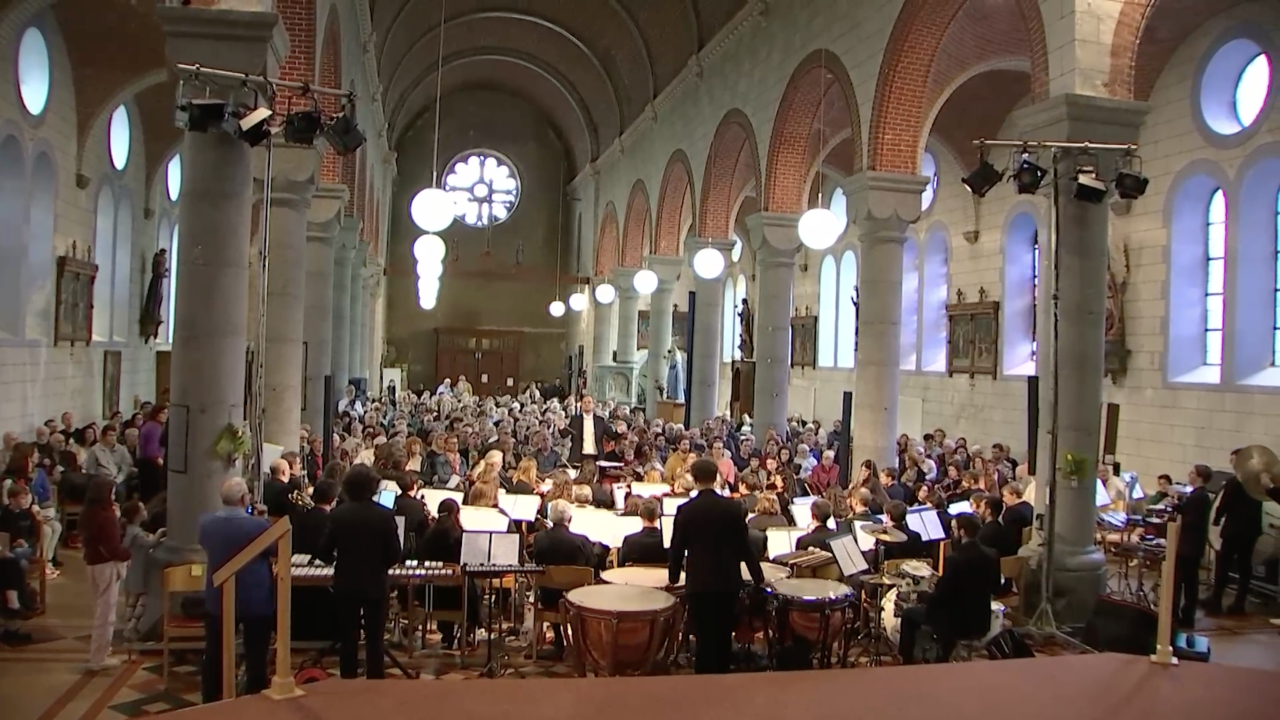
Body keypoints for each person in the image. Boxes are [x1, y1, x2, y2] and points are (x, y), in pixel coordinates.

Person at [668, 458, 764, 674]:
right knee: (723, 636)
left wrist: (673, 577)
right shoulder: (732, 509)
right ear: (717, 478)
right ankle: (722, 680)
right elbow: (745, 547)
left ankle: (704, 682)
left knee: (703, 636)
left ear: (693, 479)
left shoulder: (686, 510)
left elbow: (677, 547)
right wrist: (757, 577)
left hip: (699, 583)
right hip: (728, 582)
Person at [318, 465, 402, 678]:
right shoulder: (384, 515)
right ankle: (374, 679)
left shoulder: (338, 515)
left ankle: (348, 679)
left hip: (346, 582)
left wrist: (338, 558)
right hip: (376, 582)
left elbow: (324, 551)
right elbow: (394, 554)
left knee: (348, 636)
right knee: (375, 637)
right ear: (373, 487)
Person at [198, 478, 272, 700]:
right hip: (255, 597)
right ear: (244, 498)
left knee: (214, 653)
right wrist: (263, 519)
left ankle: (211, 699)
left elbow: (205, 544)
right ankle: (255, 698)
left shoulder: (206, 522)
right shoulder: (258, 525)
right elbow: (274, 548)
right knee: (256, 654)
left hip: (218, 595)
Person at [897, 513, 1001, 663]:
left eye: (953, 529)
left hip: (957, 624)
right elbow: (996, 587)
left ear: (962, 532)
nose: (952, 533)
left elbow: (940, 598)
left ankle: (907, 662)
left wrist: (921, 595)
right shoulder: (992, 554)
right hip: (981, 621)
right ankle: (942, 654)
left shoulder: (955, 559)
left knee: (909, 614)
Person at [531, 499, 598, 659]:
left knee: (552, 590)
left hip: (548, 598)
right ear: (570, 519)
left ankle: (559, 641)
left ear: (550, 518)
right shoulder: (582, 541)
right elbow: (592, 566)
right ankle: (581, 641)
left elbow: (537, 561)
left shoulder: (539, 538)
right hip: (576, 599)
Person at [81, 475, 131, 672]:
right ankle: (98, 658)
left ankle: (102, 649)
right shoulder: (106, 517)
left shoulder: (88, 513)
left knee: (100, 610)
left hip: (92, 564)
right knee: (106, 614)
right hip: (106, 566)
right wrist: (128, 553)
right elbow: (113, 547)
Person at [1207, 449, 1262, 615]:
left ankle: (1216, 601)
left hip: (1234, 529)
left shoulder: (1234, 481)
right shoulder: (1257, 482)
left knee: (1223, 565)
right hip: (1251, 530)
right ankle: (1239, 602)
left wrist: (1216, 519)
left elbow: (1225, 503)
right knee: (1245, 566)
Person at [1173, 465, 1213, 628]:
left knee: (1186, 581)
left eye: (1192, 473)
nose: (1189, 475)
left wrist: (1180, 507)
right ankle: (1184, 613)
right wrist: (1179, 506)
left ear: (1199, 477)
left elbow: (1192, 520)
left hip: (1189, 546)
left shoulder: (1199, 496)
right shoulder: (1198, 495)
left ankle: (1183, 614)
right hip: (1192, 545)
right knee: (1188, 581)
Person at [120, 500, 164, 639]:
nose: (146, 511)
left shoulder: (131, 531)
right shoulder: (136, 533)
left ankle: (129, 626)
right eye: (143, 509)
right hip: (139, 568)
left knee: (133, 599)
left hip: (134, 567)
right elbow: (150, 543)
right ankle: (131, 626)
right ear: (137, 515)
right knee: (140, 599)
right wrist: (160, 533)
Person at [84, 425, 133, 501]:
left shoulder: (122, 450)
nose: (113, 438)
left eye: (114, 435)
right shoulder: (95, 450)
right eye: (110, 435)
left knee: (120, 491)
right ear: (103, 436)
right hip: (101, 480)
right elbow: (90, 469)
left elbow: (125, 468)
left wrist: (117, 480)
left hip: (117, 479)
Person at [559, 395, 609, 465]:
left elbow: (611, 434)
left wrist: (619, 430)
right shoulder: (575, 420)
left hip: (596, 456)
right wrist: (561, 427)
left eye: (589, 402)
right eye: (584, 402)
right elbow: (564, 434)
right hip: (579, 456)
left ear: (593, 405)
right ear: (581, 405)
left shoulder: (600, 420)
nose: (587, 404)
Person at [293, 479, 338, 557]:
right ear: (333, 501)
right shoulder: (332, 521)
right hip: (323, 565)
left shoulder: (300, 517)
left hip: (298, 561)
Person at [618, 498, 667, 566]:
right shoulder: (668, 541)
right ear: (659, 514)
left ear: (639, 513)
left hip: (635, 576)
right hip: (663, 576)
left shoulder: (629, 540)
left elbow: (622, 563)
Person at [136, 404, 167, 503]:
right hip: (151, 465)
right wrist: (162, 465)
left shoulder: (151, 425)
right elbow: (152, 451)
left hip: (146, 463)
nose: (166, 415)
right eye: (163, 413)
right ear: (156, 414)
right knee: (152, 495)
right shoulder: (154, 427)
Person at [1000, 481, 1033, 545]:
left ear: (1014, 495)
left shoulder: (1011, 512)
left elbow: (1007, 537)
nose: (1003, 499)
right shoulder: (1030, 507)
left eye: (1005, 496)